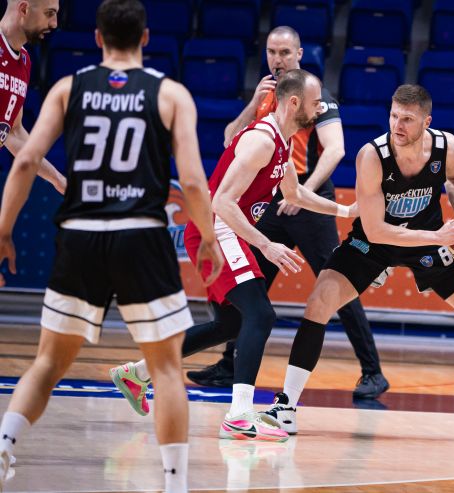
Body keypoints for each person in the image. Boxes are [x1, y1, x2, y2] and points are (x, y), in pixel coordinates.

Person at [0, 0, 224, 491]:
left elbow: (25, 161)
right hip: (140, 236)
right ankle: (175, 483)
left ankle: (3, 445)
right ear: (145, 39)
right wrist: (208, 237)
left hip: (80, 235)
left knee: (47, 363)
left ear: (98, 39)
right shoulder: (171, 94)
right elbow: (191, 181)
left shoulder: (67, 88)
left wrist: (3, 231)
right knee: (166, 369)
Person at [259, 84, 454, 446]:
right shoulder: (372, 156)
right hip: (375, 242)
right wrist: (439, 236)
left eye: (407, 119)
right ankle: (286, 406)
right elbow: (375, 230)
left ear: (426, 122)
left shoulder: (447, 148)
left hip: (430, 239)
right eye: (393, 116)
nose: (397, 125)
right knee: (318, 303)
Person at [109, 69, 360, 442]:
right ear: (294, 103)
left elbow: (295, 195)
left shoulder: (283, 142)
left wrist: (346, 211)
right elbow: (222, 202)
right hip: (215, 229)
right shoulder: (262, 141)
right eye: (315, 102)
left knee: (230, 325)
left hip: (226, 231)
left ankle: (138, 374)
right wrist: (266, 244)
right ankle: (239, 415)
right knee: (261, 314)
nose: (320, 108)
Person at [187, 26, 389, 400]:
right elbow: (231, 139)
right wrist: (253, 102)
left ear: (298, 55)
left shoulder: (317, 98)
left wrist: (322, 200)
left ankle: (372, 370)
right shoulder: (267, 103)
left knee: (336, 280)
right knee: (252, 291)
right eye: (271, 52)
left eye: (284, 52)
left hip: (306, 200)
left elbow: (335, 150)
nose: (277, 59)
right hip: (264, 202)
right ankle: (231, 365)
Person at [0, 0, 67, 287]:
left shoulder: (24, 61)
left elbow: (13, 132)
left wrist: (57, 179)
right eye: (49, 14)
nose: (54, 24)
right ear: (24, 9)